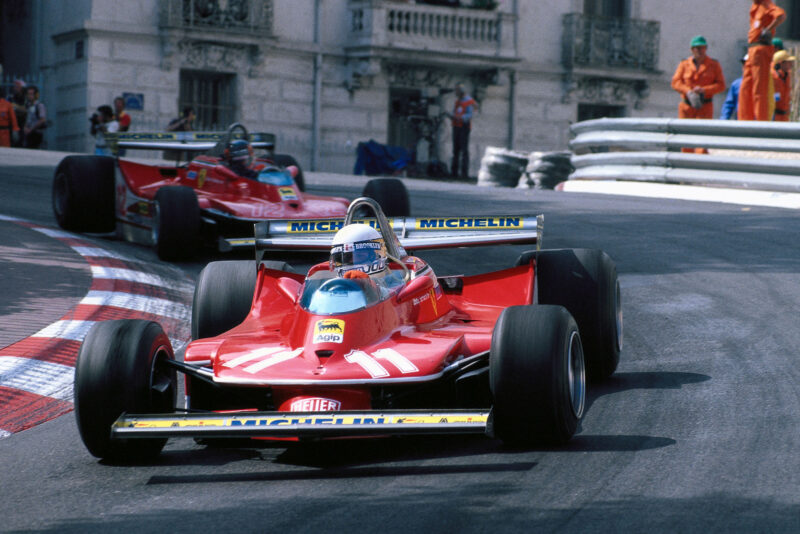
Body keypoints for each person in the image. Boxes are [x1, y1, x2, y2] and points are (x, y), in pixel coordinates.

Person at [671, 35, 725, 153]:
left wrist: (704, 90)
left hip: (705, 106)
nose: (700, 51)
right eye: (697, 48)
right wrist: (688, 91)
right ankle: (685, 167)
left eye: (702, 48)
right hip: (687, 107)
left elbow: (721, 85)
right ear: (692, 50)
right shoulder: (684, 64)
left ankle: (700, 166)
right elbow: (675, 82)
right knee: (685, 140)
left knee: (702, 140)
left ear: (706, 48)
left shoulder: (714, 65)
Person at [739, 0, 786, 120]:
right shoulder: (756, 6)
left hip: (761, 48)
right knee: (745, 88)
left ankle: (761, 122)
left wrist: (769, 29)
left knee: (759, 90)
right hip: (752, 49)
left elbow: (781, 16)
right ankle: (744, 121)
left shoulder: (766, 4)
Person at [445, 83, 476, 179]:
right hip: (456, 126)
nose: (455, 93)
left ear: (461, 91)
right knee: (456, 150)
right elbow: (456, 112)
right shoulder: (458, 102)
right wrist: (452, 116)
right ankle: (454, 172)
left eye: (457, 91)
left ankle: (464, 173)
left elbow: (470, 115)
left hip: (464, 127)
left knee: (464, 150)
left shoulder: (468, 101)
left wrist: (460, 117)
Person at [720, 55, 748, 120]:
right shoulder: (736, 84)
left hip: (756, 123)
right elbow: (729, 104)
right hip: (740, 120)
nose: (746, 67)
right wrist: (723, 121)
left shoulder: (761, 85)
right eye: (744, 64)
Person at [772, 49, 796, 121]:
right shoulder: (772, 77)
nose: (791, 64)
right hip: (774, 117)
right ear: (781, 63)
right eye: (788, 62)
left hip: (785, 116)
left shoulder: (788, 76)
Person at [7, 79, 27, 147]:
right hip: (12, 122)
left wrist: (16, 107)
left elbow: (26, 109)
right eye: (15, 86)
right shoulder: (11, 97)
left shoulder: (25, 98)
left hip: (22, 122)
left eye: (18, 87)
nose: (16, 88)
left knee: (21, 141)